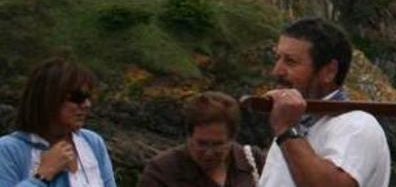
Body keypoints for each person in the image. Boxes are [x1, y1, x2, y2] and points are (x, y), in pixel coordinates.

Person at [258, 17, 391, 187]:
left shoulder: (358, 125)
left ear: (329, 71)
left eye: (290, 61)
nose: (277, 71)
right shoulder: (293, 123)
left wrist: (286, 131)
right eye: (278, 59)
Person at [0, 58, 116, 186]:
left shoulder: (92, 142)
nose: (86, 105)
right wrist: (42, 176)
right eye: (78, 97)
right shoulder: (8, 150)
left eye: (88, 97)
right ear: (48, 98)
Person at [139, 91, 265, 187]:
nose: (209, 152)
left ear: (232, 138)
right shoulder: (162, 172)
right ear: (189, 136)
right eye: (202, 143)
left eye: (217, 144)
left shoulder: (254, 162)